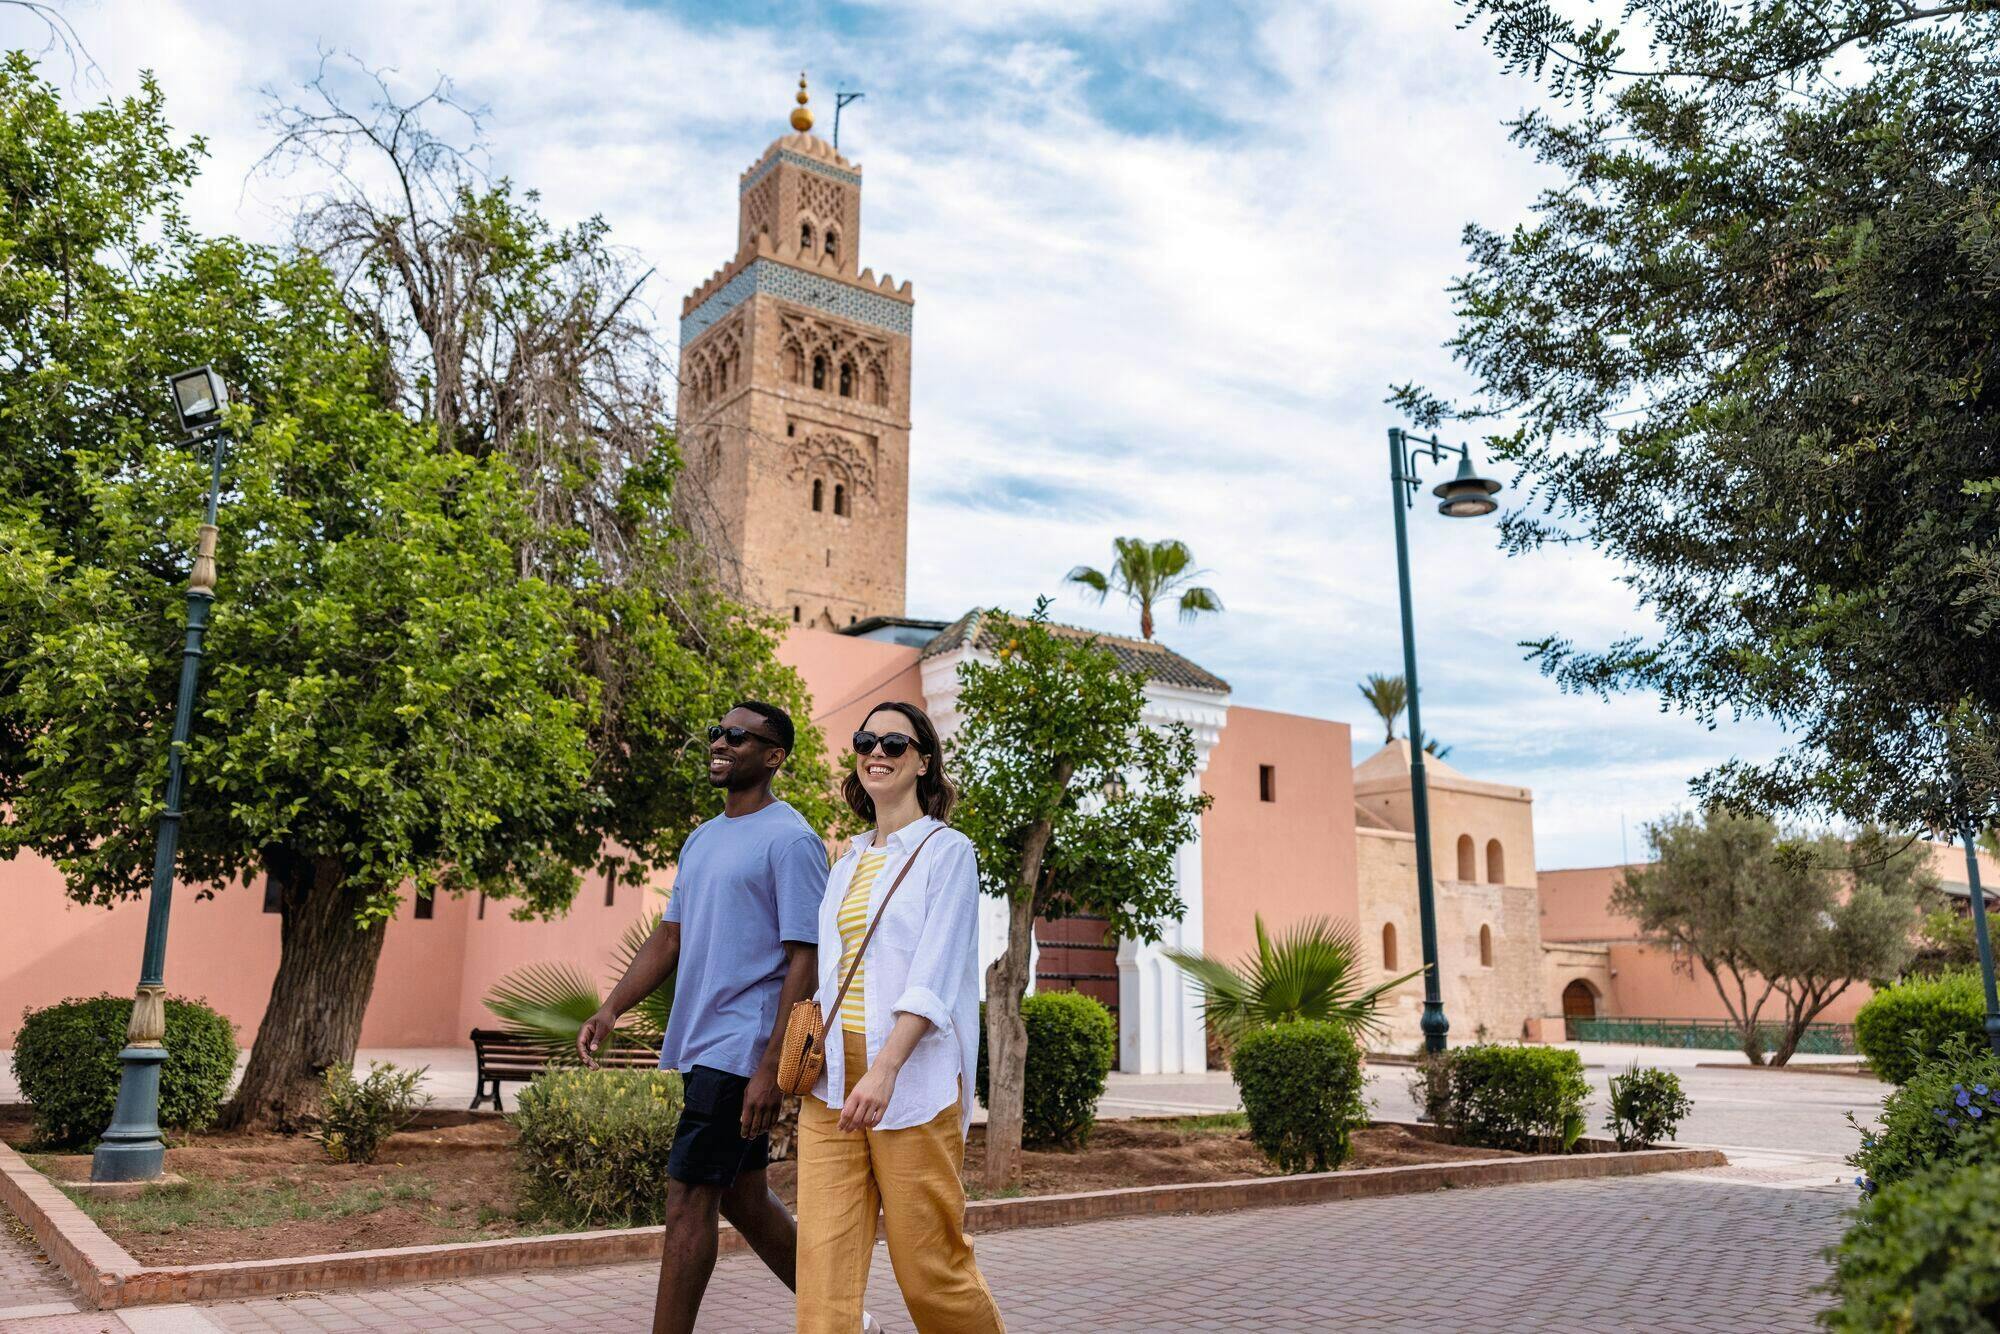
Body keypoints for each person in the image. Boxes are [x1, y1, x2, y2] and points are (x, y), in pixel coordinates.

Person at [578, 701, 827, 1334]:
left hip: (742, 1049)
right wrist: (611, 1008)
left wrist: (770, 1067)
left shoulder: (792, 840)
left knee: (688, 1197)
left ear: (773, 756)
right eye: (717, 732)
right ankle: (842, 1315)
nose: (719, 741)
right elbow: (670, 937)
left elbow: (808, 958)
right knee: (744, 1198)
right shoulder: (703, 837)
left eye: (737, 736)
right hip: (704, 1046)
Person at [796, 701, 1006, 1334]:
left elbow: (935, 976)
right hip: (832, 1082)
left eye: (894, 743)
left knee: (928, 1267)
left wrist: (884, 1070)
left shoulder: (949, 852)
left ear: (923, 762)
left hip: (906, 1080)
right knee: (822, 1269)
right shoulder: (847, 861)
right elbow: (829, 971)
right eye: (867, 741)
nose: (877, 753)